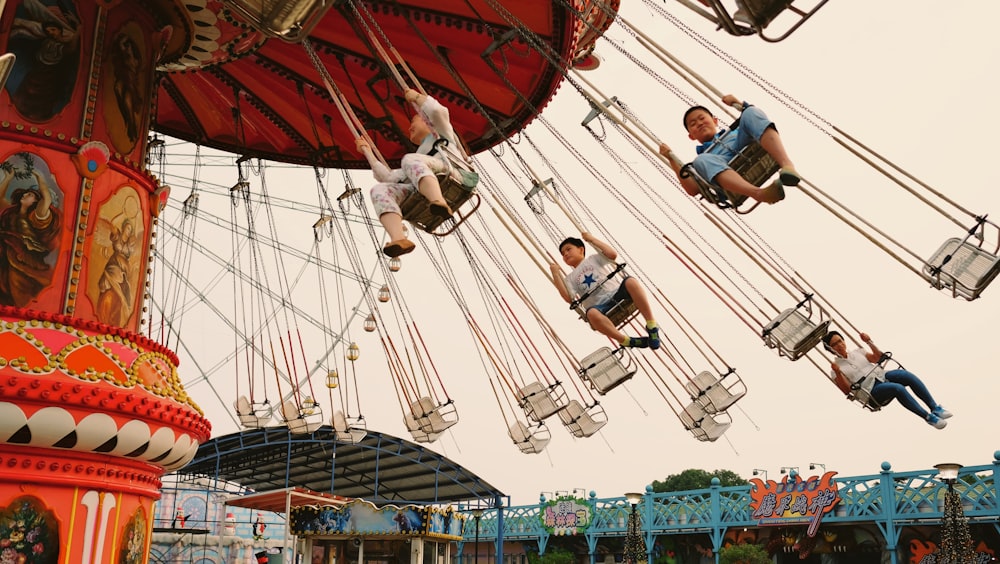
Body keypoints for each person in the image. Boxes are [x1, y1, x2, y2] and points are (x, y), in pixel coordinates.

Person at [357, 88, 462, 258]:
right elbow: (390, 178)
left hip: (450, 170)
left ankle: (438, 200)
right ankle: (398, 238)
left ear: (426, 120)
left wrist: (418, 99)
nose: (409, 127)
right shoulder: (416, 159)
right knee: (379, 190)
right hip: (421, 182)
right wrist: (368, 153)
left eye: (413, 120)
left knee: (409, 160)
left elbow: (438, 111)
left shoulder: (441, 134)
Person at [658, 93, 799, 205]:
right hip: (721, 163)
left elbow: (755, 120)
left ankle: (787, 165)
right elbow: (693, 189)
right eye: (693, 124)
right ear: (691, 136)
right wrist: (671, 159)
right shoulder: (702, 161)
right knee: (700, 160)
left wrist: (738, 104)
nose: (699, 123)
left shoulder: (734, 132)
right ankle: (758, 193)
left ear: (715, 121)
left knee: (750, 112)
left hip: (742, 144)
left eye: (702, 118)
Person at [821, 330, 951, 429]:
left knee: (906, 375)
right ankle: (928, 417)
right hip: (871, 391)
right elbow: (846, 390)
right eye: (834, 345)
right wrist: (838, 373)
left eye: (840, 341)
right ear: (830, 349)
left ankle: (934, 407)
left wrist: (869, 342)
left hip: (881, 376)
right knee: (897, 388)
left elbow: (877, 358)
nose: (839, 345)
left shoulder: (858, 352)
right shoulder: (835, 369)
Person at [550, 233, 660, 349]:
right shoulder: (570, 278)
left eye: (568, 249)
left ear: (581, 249)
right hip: (600, 307)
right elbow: (568, 297)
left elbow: (612, 254)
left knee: (631, 282)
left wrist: (592, 239)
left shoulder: (593, 259)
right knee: (591, 314)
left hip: (617, 294)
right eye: (563, 254)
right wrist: (556, 274)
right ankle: (625, 340)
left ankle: (651, 325)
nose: (565, 254)